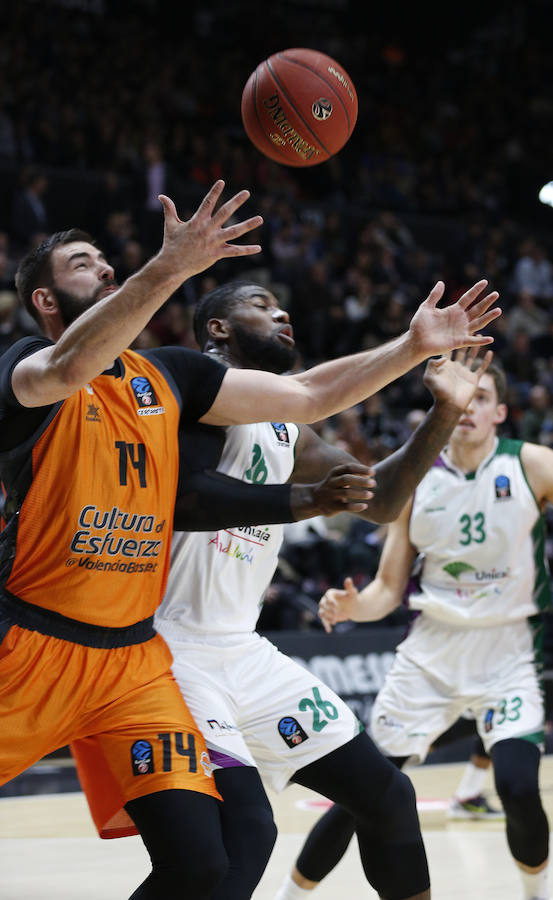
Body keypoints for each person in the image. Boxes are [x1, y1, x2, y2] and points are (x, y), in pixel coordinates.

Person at [0, 179, 500, 900]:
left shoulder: (170, 376)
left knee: (220, 854)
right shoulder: (26, 362)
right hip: (49, 638)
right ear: (45, 300)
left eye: (109, 261)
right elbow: (75, 372)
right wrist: (171, 267)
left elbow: (309, 398)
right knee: (240, 839)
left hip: (134, 659)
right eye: (83, 263)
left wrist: (409, 348)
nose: (106, 268)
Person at [154, 279, 498, 900]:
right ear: (218, 331)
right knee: (244, 837)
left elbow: (383, 500)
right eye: (258, 304)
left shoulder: (290, 431)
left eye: (280, 303)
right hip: (169, 653)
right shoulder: (193, 395)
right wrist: (302, 500)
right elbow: (187, 499)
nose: (281, 309)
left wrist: (445, 412)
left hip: (242, 651)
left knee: (388, 796)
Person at [289, 361, 552, 900]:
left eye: (482, 398)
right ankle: (288, 896)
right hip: (429, 655)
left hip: (509, 653)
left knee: (519, 786)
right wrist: (352, 606)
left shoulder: (532, 465)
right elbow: (389, 588)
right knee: (361, 795)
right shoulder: (416, 482)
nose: (469, 408)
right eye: (462, 399)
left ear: (501, 413)